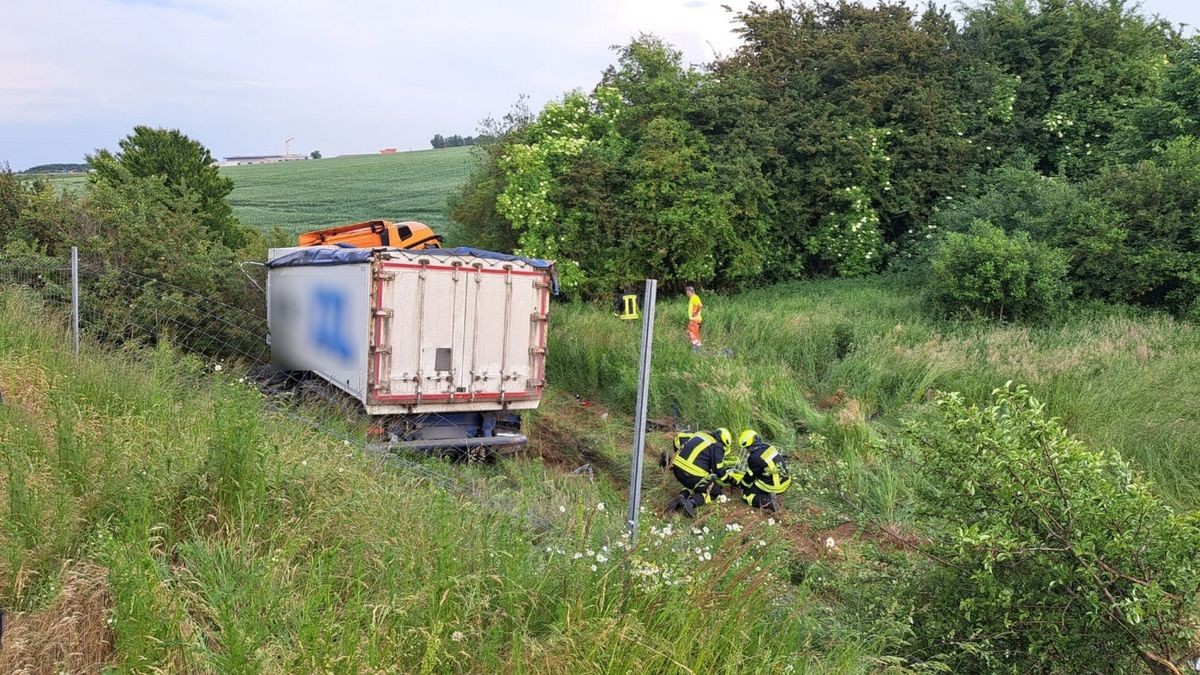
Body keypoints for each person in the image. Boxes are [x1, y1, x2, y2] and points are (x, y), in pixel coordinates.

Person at [667, 428, 735, 517]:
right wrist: (730, 479)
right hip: (693, 475)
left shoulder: (701, 435)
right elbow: (718, 470)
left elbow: (680, 441)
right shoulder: (717, 445)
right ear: (724, 442)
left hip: (677, 471)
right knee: (715, 492)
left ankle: (681, 496)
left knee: (695, 485)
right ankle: (691, 502)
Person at [735, 430, 791, 512]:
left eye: (746, 448)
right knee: (758, 480)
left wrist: (741, 486)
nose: (746, 450)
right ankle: (769, 495)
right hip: (785, 480)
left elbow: (749, 477)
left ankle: (768, 501)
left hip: (775, 486)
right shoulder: (769, 447)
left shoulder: (754, 457)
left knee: (747, 495)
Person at [685, 285, 703, 351]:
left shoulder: (694, 297)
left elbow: (700, 306)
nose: (687, 294)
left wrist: (695, 313)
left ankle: (695, 349)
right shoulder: (693, 298)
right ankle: (699, 348)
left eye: (687, 292)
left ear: (689, 291)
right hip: (696, 320)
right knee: (695, 334)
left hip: (694, 320)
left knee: (691, 332)